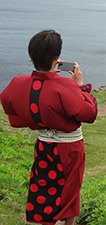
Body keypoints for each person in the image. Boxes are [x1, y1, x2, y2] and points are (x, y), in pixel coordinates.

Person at [0, 30, 98, 225]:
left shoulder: (17, 83)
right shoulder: (64, 86)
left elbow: (12, 115)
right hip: (69, 148)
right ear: (57, 57)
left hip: (44, 144)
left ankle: (39, 220)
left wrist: (38, 118)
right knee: (69, 189)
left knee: (42, 185)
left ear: (32, 56)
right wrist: (79, 85)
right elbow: (89, 114)